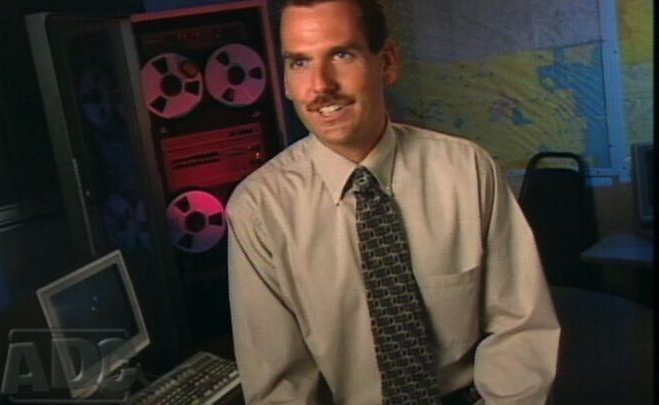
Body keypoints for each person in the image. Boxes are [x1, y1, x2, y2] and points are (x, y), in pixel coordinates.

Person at [226, 0, 561, 403]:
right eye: (300, 63)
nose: (320, 86)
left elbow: (519, 330)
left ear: (387, 62)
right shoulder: (259, 210)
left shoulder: (467, 171)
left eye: (342, 55)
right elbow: (281, 390)